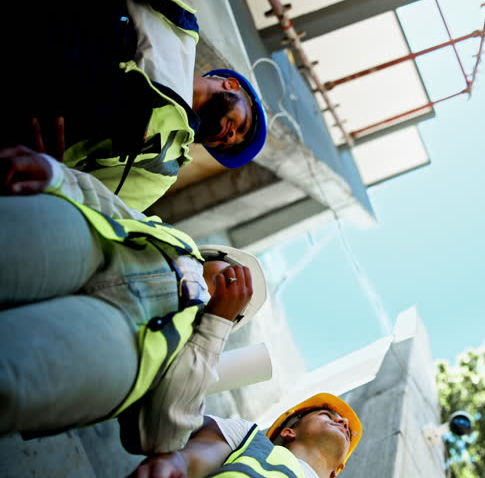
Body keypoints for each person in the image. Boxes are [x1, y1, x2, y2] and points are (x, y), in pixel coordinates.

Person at [0, 145, 268, 454]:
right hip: (102, 250)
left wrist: (215, 325)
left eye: (241, 301)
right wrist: (57, 175)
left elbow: (160, 438)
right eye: (238, 271)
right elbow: (112, 207)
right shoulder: (176, 242)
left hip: (125, 335)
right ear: (214, 256)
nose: (240, 284)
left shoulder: (198, 350)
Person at [2, 0, 268, 211]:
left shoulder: (162, 169)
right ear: (231, 84)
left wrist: (54, 175)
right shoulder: (181, 28)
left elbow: (101, 211)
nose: (231, 136)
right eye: (242, 125)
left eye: (228, 145)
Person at [129, 393, 363, 478]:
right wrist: (176, 462)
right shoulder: (249, 438)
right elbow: (195, 458)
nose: (341, 421)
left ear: (335, 472)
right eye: (327, 415)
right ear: (289, 431)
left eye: (343, 424)